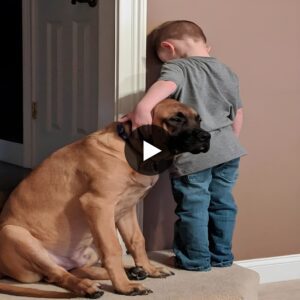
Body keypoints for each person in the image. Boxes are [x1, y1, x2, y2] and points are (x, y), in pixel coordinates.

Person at [121, 20, 247, 271]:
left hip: (195, 155)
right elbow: (238, 114)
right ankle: (221, 257)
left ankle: (196, 260)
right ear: (207, 47)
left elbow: (161, 91)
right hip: (229, 150)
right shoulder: (226, 70)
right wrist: (229, 143)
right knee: (222, 202)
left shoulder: (178, 67)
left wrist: (143, 109)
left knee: (194, 206)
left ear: (169, 48)